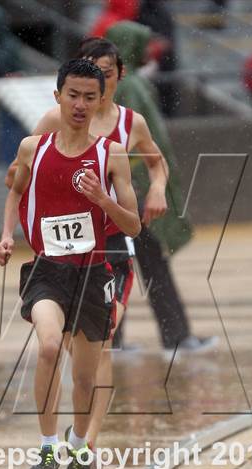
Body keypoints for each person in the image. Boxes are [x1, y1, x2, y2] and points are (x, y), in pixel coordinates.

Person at [0, 59, 141, 469]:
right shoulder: (31, 148)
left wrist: (102, 198)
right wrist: (6, 236)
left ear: (100, 102)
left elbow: (132, 226)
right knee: (49, 346)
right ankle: (46, 444)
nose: (80, 104)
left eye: (89, 97)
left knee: (83, 378)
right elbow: (16, 191)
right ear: (57, 96)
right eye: (72, 95)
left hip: (93, 273)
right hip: (46, 270)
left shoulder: (111, 154)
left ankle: (78, 444)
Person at [105, 22, 217, 359]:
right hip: (134, 191)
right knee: (148, 263)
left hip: (125, 189)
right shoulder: (131, 87)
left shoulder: (121, 85)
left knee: (121, 265)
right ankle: (174, 337)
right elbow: (140, 143)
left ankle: (113, 340)